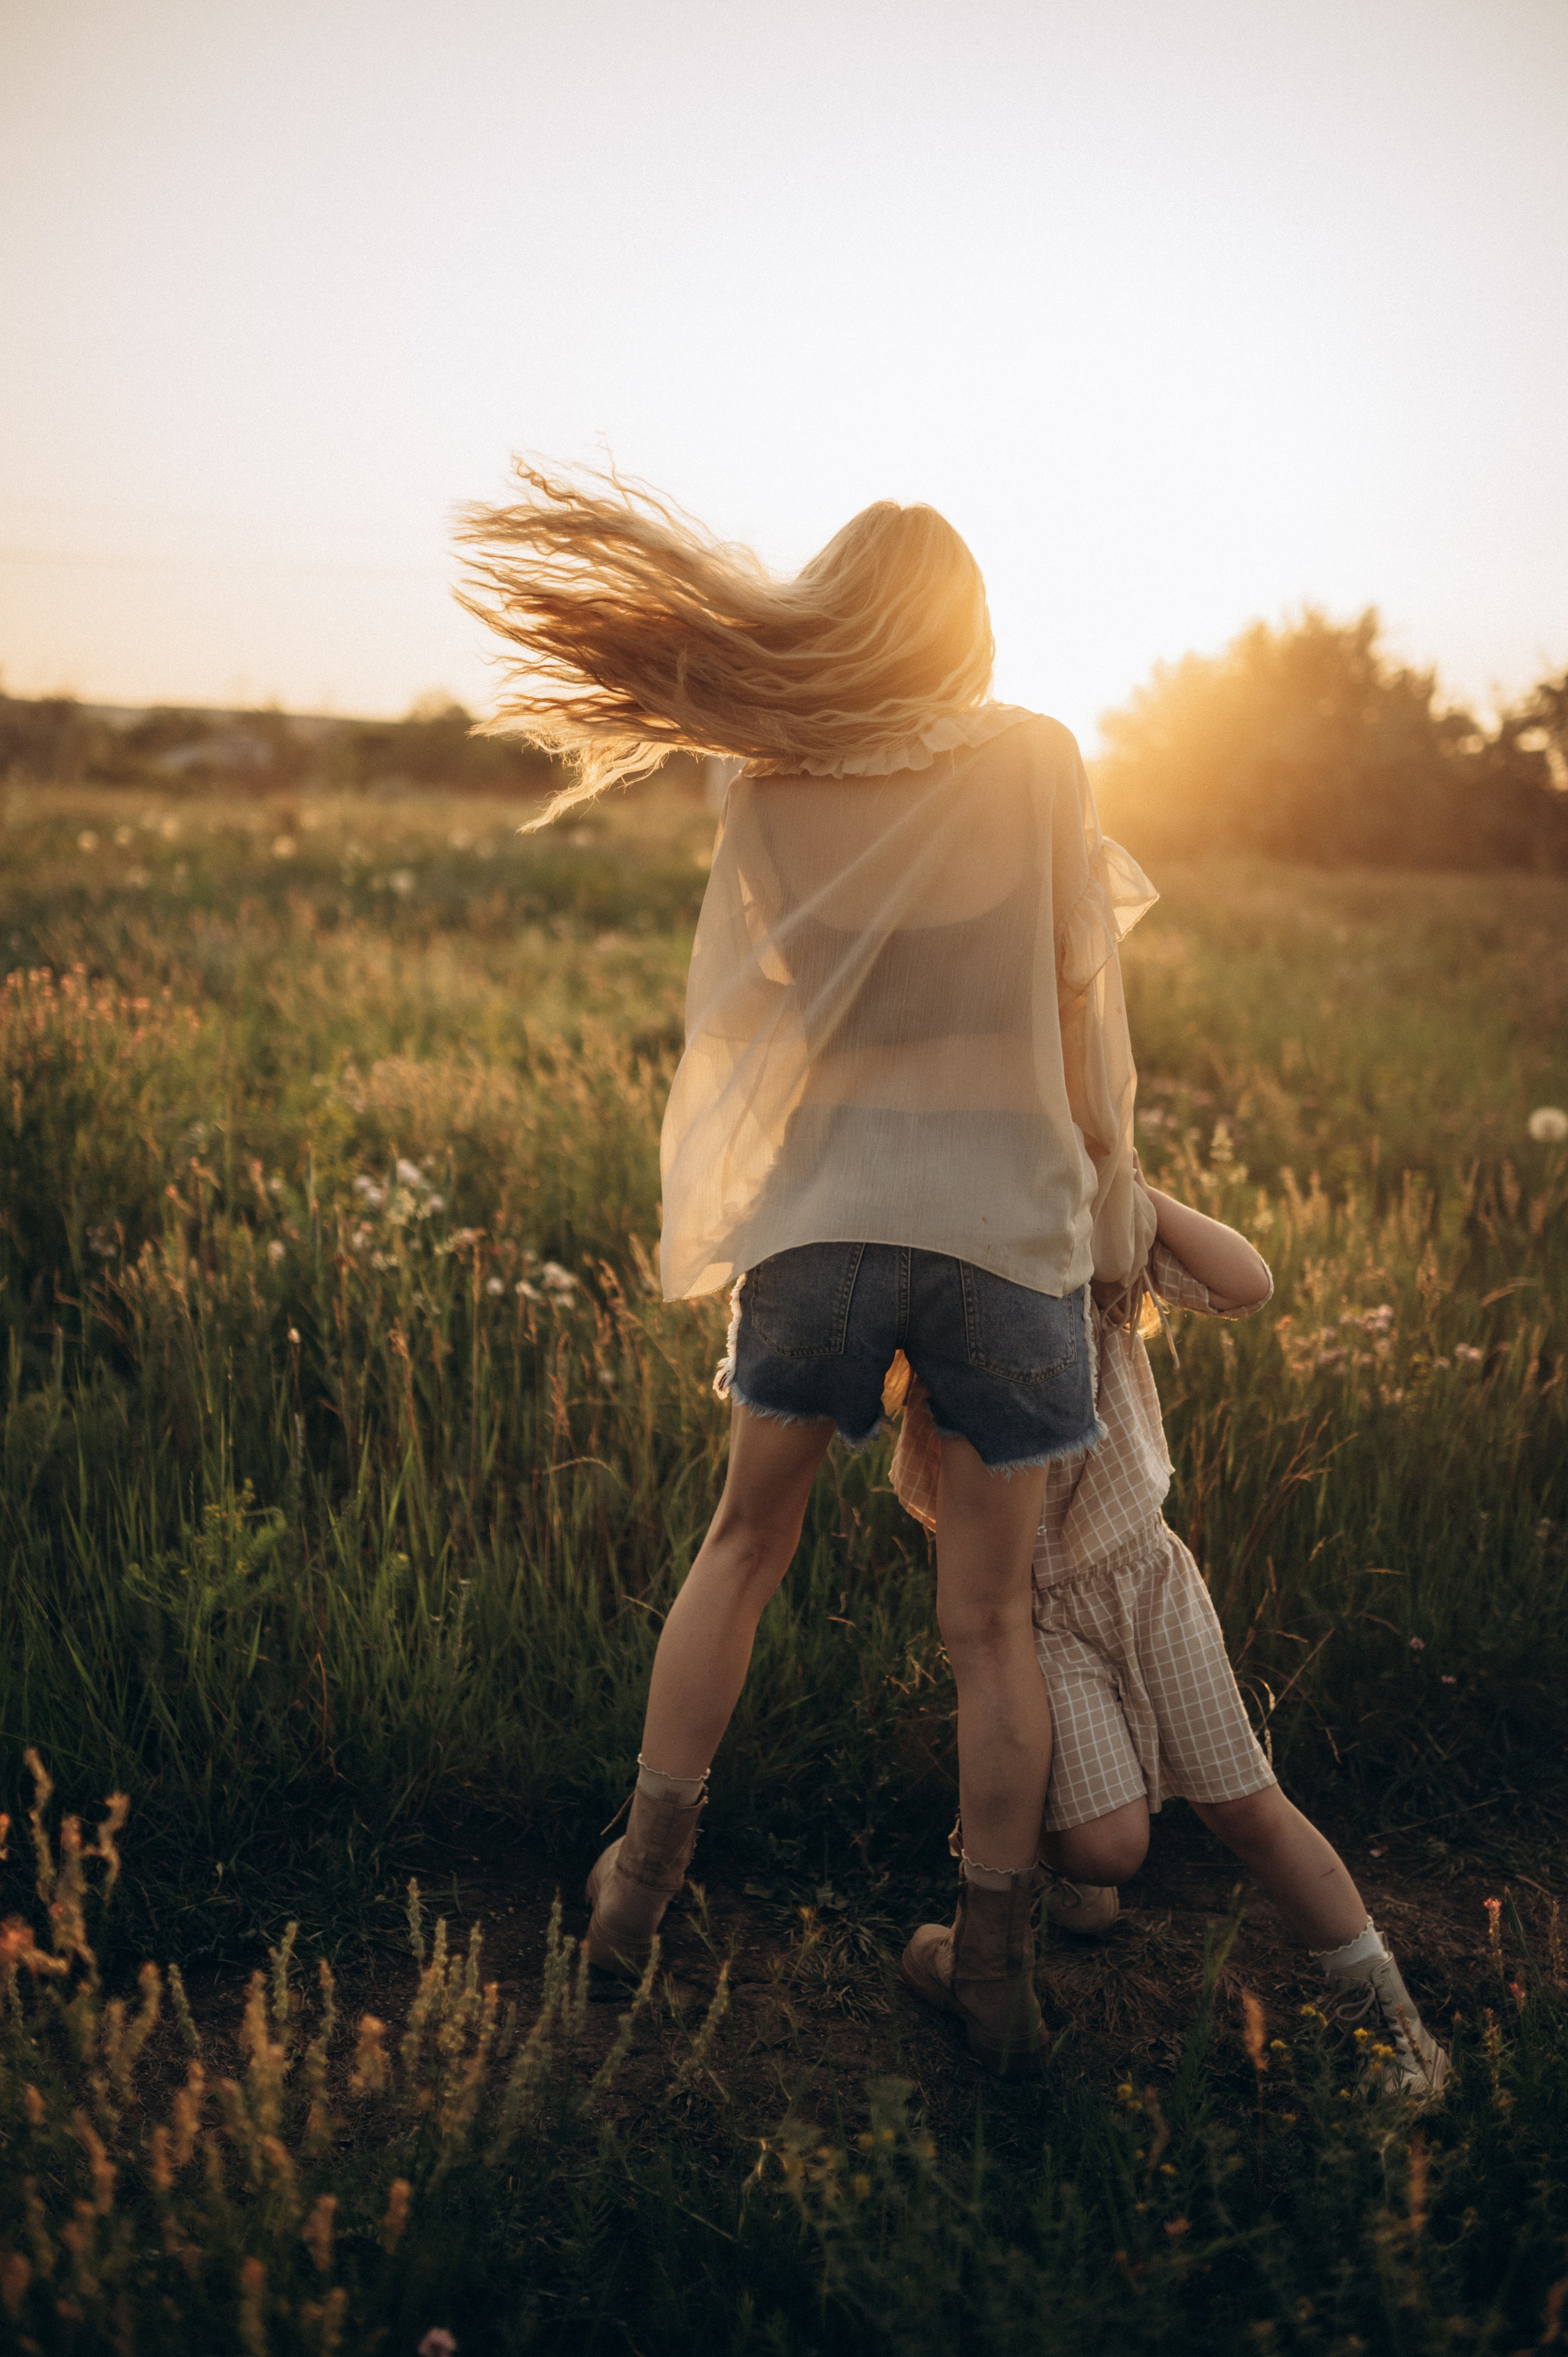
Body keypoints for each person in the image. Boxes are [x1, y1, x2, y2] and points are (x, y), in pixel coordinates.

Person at [458, 461, 1158, 2070]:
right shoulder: (1042, 760)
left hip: (820, 1216)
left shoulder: (762, 786)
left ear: (833, 618)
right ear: (968, 627)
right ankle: (987, 1967)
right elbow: (1077, 1003)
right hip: (1005, 1232)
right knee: (987, 1623)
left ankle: (636, 1894)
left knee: (740, 1545)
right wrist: (1110, 1193)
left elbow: (786, 1005)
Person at [890, 1162, 1451, 2100]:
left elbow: (1247, 1284)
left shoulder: (1093, 1239)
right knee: (1107, 1850)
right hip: (1033, 1614)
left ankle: (1395, 2029)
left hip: (1146, 1581)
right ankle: (980, 1934)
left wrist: (1134, 1191)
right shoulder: (947, 1268)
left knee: (1245, 1807)